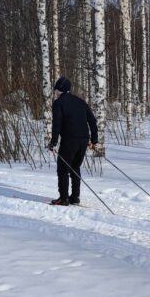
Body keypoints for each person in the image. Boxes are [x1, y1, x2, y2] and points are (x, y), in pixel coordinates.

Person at [48, 76, 98, 206]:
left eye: (56, 89)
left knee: (63, 169)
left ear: (59, 89)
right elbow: (92, 120)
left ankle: (63, 198)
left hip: (70, 140)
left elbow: (57, 124)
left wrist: (53, 142)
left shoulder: (58, 103)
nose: (55, 92)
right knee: (75, 167)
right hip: (83, 140)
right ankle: (75, 197)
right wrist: (94, 140)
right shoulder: (81, 102)